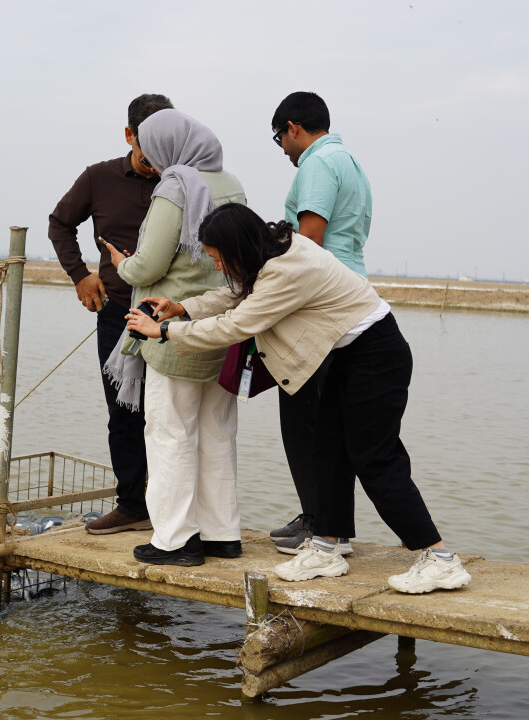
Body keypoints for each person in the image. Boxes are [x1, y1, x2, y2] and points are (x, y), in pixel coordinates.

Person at [125, 203, 471, 594]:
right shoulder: (271, 251)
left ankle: (439, 558)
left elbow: (237, 324)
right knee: (326, 451)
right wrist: (183, 307)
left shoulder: (286, 269)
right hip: (341, 355)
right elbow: (236, 294)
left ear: (239, 248)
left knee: (375, 458)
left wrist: (164, 331)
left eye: (219, 258)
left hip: (375, 355)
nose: (218, 267)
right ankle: (326, 546)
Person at [102, 109, 247, 567]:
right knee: (217, 431)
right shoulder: (232, 183)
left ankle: (176, 540)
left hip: (173, 327)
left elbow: (148, 266)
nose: (146, 157)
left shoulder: (175, 187)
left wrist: (121, 263)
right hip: (222, 326)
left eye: (148, 148)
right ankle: (222, 534)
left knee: (169, 433)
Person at [48, 93, 174, 535]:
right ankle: (132, 504)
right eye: (147, 145)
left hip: (174, 316)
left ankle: (173, 508)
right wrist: (80, 275)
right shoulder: (98, 177)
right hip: (118, 313)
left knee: (172, 413)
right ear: (129, 135)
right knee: (124, 412)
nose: (155, 157)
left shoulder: (183, 180)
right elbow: (60, 223)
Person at [267, 91, 375, 555]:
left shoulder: (316, 163)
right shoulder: (349, 161)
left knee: (304, 415)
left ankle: (319, 524)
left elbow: (309, 239)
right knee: (329, 419)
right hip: (349, 293)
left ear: (293, 128)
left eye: (280, 139)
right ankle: (330, 524)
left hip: (319, 302)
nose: (283, 150)